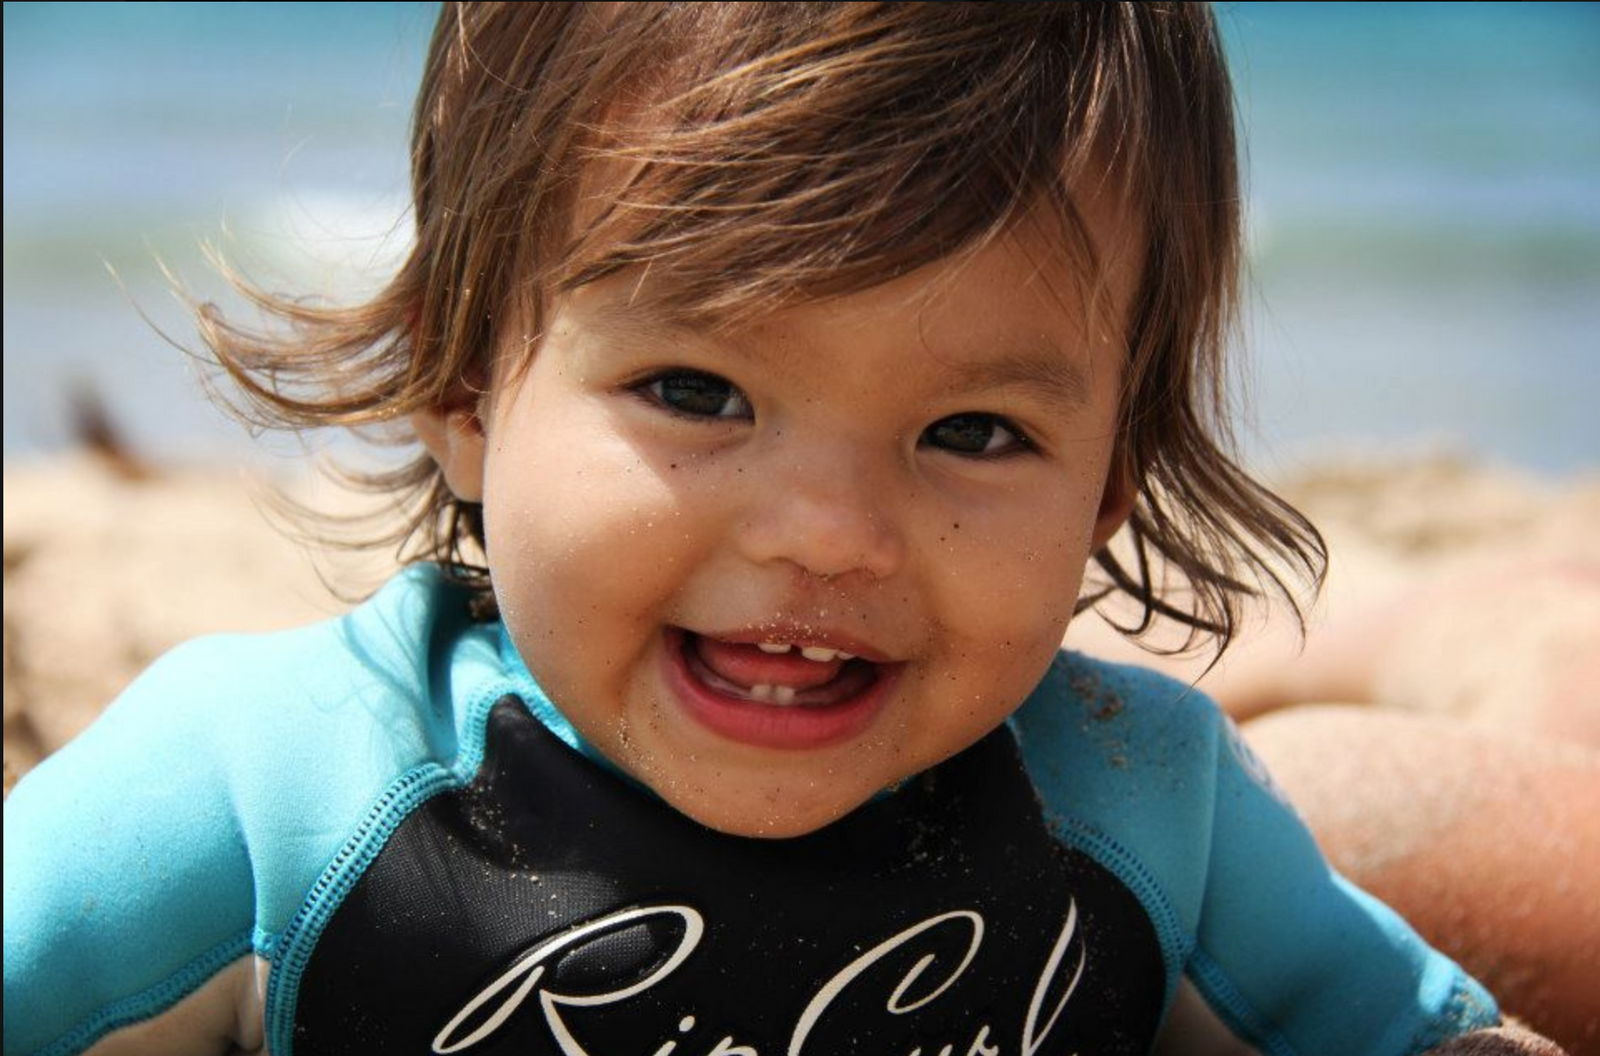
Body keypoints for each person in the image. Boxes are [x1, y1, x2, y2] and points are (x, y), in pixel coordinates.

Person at [0, 5, 1569, 1055]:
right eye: (698, 389)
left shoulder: (1150, 805)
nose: (830, 534)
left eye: (974, 433)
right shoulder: (272, 775)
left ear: (1111, 485)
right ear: (469, 380)